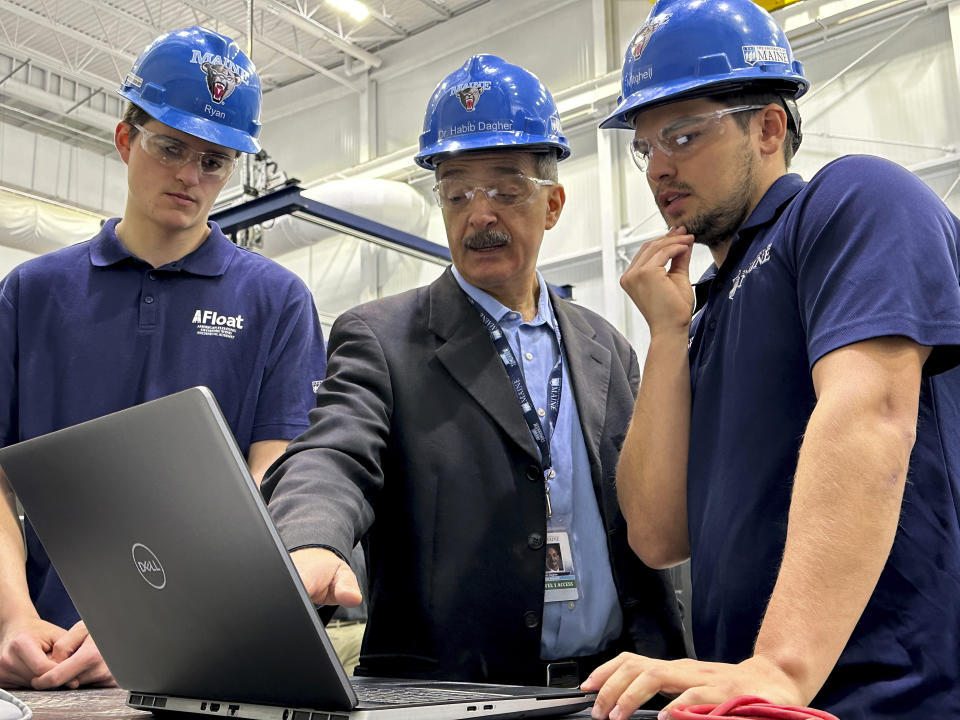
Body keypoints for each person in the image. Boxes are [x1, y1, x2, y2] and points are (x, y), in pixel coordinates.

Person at [581, 1, 960, 718]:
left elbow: (872, 412)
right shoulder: (708, 313)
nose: (659, 167)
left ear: (768, 126)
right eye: (647, 147)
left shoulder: (852, 203)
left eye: (683, 135)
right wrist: (666, 337)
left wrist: (782, 668)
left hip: (885, 696)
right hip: (749, 697)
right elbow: (659, 535)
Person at [262, 54, 685, 688]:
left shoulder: (606, 347)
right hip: (455, 692)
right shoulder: (382, 339)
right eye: (457, 193)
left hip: (612, 687)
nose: (479, 215)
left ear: (553, 204)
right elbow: (333, 452)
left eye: (506, 191)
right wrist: (310, 537)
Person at [0, 26, 326, 691]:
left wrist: (160, 621)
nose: (190, 176)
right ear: (126, 141)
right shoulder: (32, 294)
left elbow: (272, 483)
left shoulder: (276, 302)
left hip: (205, 661)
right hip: (46, 653)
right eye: (171, 148)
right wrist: (13, 617)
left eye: (214, 161)